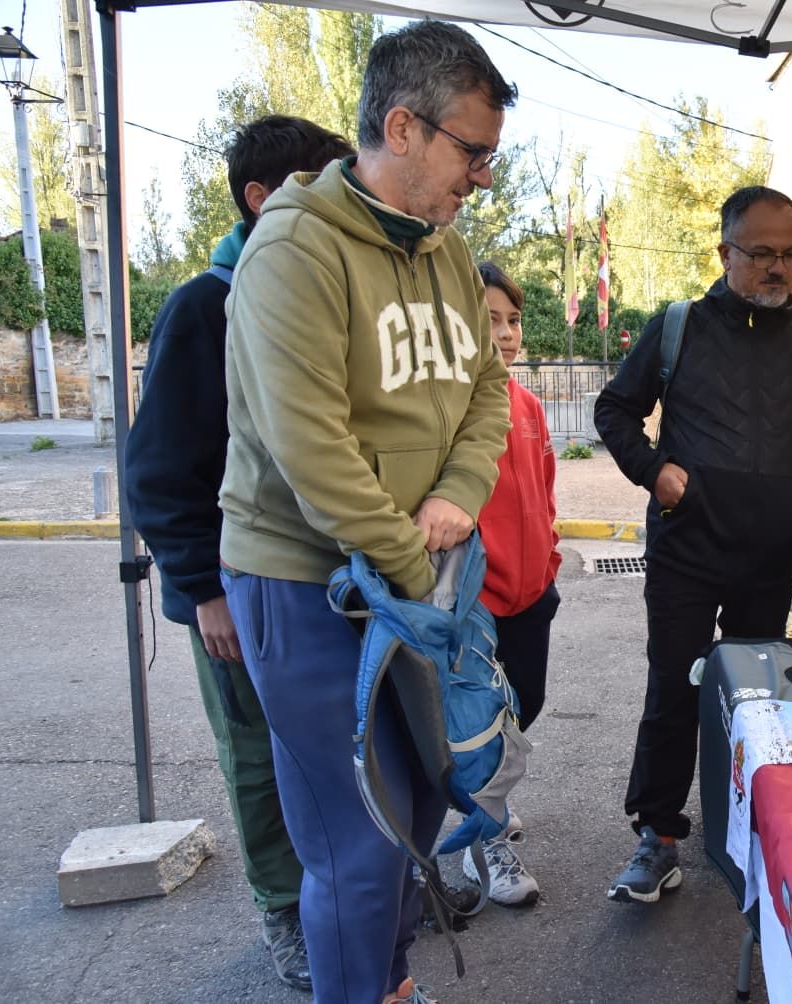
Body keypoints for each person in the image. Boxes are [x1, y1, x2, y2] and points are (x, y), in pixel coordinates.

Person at [217, 21, 515, 1004]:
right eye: (472, 151)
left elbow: (483, 393)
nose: (480, 177)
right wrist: (413, 557)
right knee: (359, 834)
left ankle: (384, 976)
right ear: (403, 125)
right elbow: (313, 455)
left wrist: (458, 494)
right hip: (304, 580)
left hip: (408, 574)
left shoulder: (443, 246)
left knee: (422, 794)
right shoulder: (291, 249)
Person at [125, 114, 354, 993]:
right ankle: (284, 911)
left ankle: (354, 888)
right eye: (320, 185)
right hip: (234, 591)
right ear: (261, 200)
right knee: (262, 760)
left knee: (343, 747)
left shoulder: (318, 291)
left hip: (324, 580)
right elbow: (157, 473)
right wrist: (201, 590)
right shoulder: (204, 304)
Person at [594, 185, 792, 903]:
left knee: (755, 700)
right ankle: (659, 836)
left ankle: (749, 825)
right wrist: (655, 473)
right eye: (760, 253)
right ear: (725, 252)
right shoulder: (678, 327)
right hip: (686, 549)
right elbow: (615, 409)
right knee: (674, 690)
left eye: (788, 253)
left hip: (769, 559)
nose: (777, 268)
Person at [457, 260, 561, 908]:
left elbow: (544, 491)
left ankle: (490, 796)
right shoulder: (452, 410)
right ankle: (484, 844)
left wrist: (547, 561)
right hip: (478, 607)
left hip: (531, 597)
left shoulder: (526, 403)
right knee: (481, 725)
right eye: (489, 319)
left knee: (526, 705)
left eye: (513, 320)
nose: (505, 333)